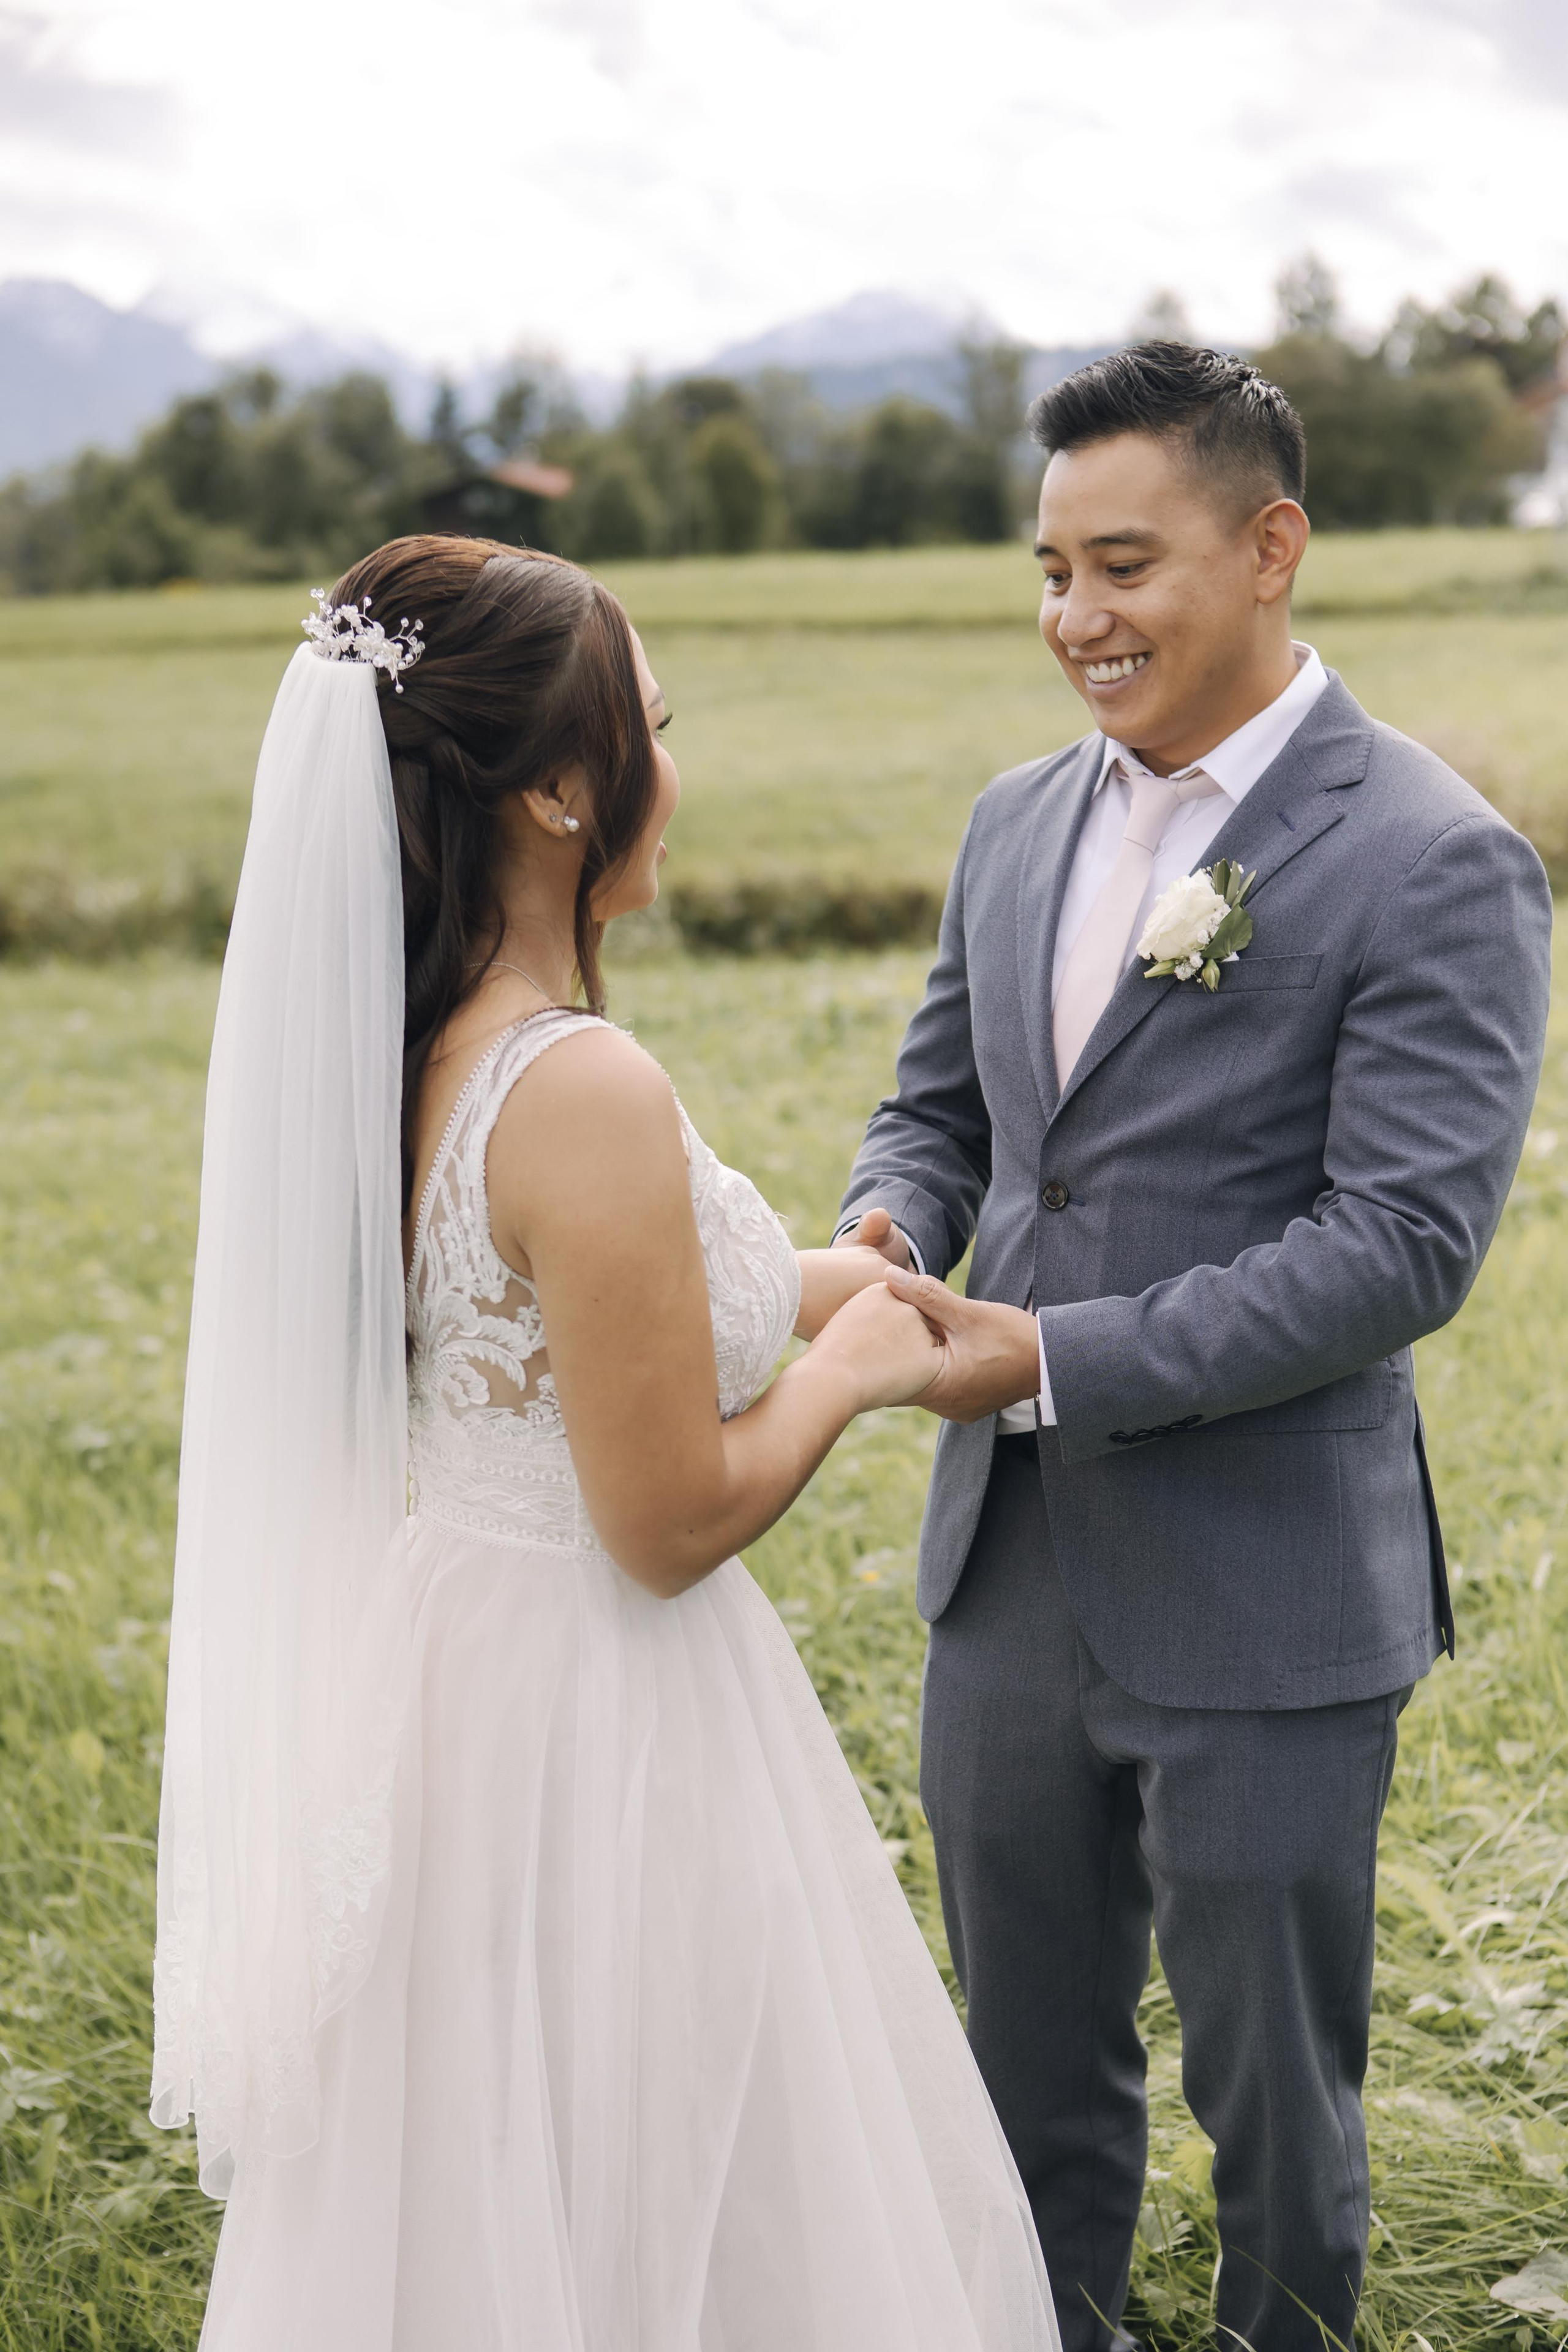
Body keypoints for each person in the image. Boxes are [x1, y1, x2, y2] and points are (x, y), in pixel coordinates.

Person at [151, 537, 1059, 2349]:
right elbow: (665, 1515)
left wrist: (810, 1278)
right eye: (654, 725)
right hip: (600, 1704)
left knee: (490, 2162)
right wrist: (859, 1366)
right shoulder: (582, 1082)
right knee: (653, 2154)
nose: (673, 760)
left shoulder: (409, 1052)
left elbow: (566, 1311)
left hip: (457, 1677)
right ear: (563, 789)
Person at [835, 343, 1552, 2352]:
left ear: (1273, 547)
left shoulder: (1434, 855)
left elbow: (1401, 1248)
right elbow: (943, 1113)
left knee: (1276, 2114)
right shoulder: (1008, 826)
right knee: (1023, 2093)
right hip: (1007, 1587)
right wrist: (886, 1221)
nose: (1077, 619)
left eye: (1123, 565)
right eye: (1050, 572)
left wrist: (1043, 1356)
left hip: (1267, 1593)